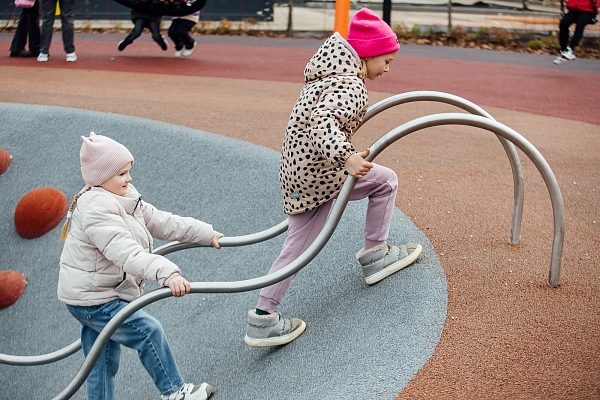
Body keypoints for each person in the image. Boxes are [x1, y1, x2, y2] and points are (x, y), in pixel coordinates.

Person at [243, 8, 423, 348]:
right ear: (367, 55)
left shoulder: (330, 73)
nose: (387, 69)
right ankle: (264, 318)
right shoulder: (350, 84)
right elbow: (323, 124)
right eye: (386, 61)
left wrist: (347, 152)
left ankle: (374, 253)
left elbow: (323, 123)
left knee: (380, 182)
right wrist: (346, 156)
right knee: (300, 246)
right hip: (318, 178)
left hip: (302, 169)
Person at [58, 132, 221, 400]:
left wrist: (206, 233)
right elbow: (127, 254)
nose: (129, 178)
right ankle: (174, 392)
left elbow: (163, 221)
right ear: (101, 177)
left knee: (101, 359)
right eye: (122, 174)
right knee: (148, 332)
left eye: (128, 171)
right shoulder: (97, 210)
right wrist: (168, 273)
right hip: (95, 300)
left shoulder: (124, 197)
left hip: (92, 294)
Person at [553, 0, 599, 64]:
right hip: (574, 9)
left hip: (588, 10)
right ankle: (564, 51)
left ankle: (571, 48)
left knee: (580, 23)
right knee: (563, 23)